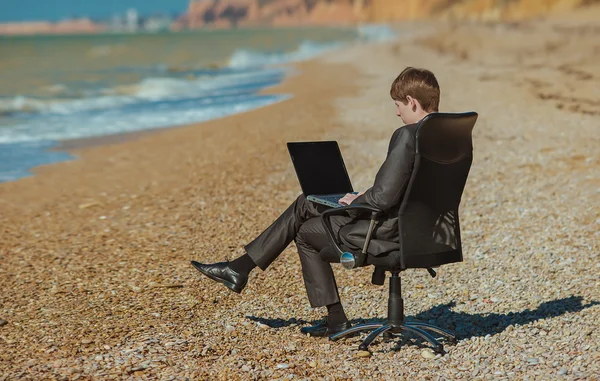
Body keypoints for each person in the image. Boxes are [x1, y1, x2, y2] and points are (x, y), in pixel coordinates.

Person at [191, 67, 441, 337]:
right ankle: (239, 268)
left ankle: (330, 316)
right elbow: (403, 188)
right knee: (307, 203)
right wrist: (361, 196)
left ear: (412, 102)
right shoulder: (448, 135)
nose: (397, 112)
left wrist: (358, 199)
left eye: (398, 105)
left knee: (305, 231)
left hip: (385, 232)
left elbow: (382, 198)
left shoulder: (407, 135)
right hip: (424, 231)